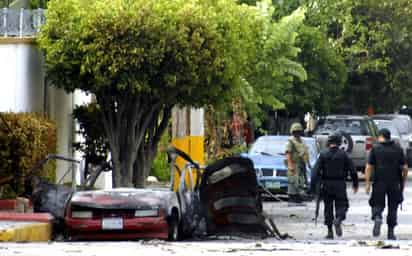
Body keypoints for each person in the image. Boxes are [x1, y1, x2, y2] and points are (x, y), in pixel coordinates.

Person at [311, 132, 359, 239]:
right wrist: (355, 184)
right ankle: (338, 219)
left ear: (329, 142)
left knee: (328, 208)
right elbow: (353, 170)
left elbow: (314, 172)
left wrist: (312, 188)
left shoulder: (323, 154)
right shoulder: (344, 155)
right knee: (342, 205)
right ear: (339, 142)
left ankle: (329, 232)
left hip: (326, 185)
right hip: (340, 184)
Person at [365, 128, 408, 240]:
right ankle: (390, 232)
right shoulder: (398, 149)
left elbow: (369, 167)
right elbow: (405, 168)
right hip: (394, 182)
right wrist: (403, 181)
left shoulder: (375, 149)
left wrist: (368, 183)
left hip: (379, 181)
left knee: (377, 203)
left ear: (380, 136)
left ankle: (378, 217)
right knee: (393, 207)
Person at [285, 122, 311, 204]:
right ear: (292, 132)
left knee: (301, 181)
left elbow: (305, 152)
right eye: (295, 132)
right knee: (293, 181)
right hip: (294, 164)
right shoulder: (290, 142)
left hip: (301, 164)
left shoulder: (302, 141)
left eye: (298, 131)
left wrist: (308, 164)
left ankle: (298, 198)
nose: (297, 133)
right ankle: (292, 198)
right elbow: (288, 153)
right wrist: (290, 165)